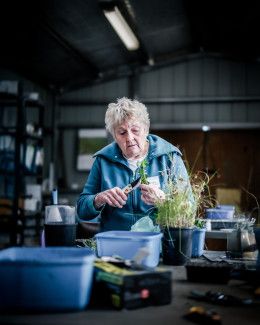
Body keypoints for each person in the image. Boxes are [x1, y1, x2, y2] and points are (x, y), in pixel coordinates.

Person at [77, 97, 190, 231]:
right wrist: (99, 199)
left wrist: (163, 201)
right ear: (114, 135)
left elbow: (189, 208)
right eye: (122, 132)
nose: (129, 138)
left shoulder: (170, 157)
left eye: (135, 130)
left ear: (146, 130)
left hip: (158, 244)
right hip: (116, 244)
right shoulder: (103, 160)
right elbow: (82, 210)